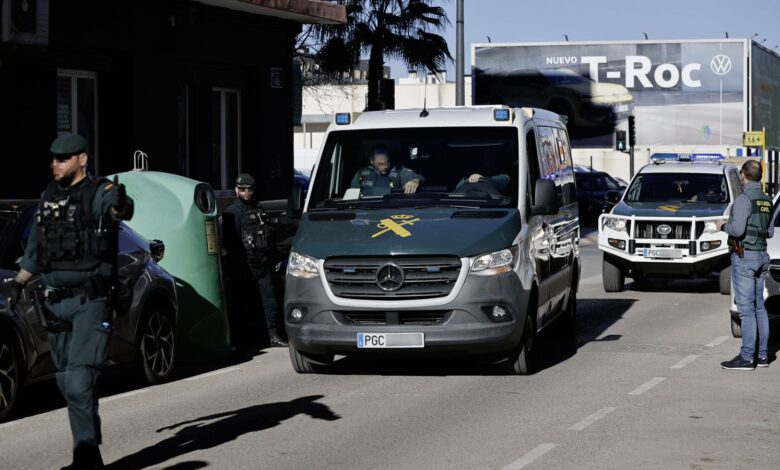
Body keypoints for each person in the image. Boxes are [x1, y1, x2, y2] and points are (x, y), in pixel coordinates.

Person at [8, 133, 133, 468]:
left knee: (79, 380)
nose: (55, 164)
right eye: (52, 159)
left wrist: (122, 202)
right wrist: (19, 283)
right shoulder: (48, 197)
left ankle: (87, 456)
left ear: (82, 159)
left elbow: (119, 209)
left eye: (62, 158)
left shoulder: (99, 193)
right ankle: (87, 450)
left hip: (90, 302)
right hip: (55, 304)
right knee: (65, 379)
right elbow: (35, 248)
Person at [719, 160, 774, 370]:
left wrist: (723, 225)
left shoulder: (744, 199)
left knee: (746, 310)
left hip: (745, 257)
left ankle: (747, 357)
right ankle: (762, 356)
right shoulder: (766, 200)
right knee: (759, 306)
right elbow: (768, 232)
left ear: (743, 175)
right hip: (761, 255)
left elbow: (738, 230)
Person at [222, 173, 287, 350]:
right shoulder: (232, 212)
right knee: (244, 305)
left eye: (249, 189)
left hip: (262, 262)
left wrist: (273, 257)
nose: (246, 193)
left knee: (269, 301)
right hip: (244, 266)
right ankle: (244, 340)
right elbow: (230, 243)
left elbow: (269, 236)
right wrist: (238, 265)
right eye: (242, 189)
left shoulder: (258, 209)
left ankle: (271, 335)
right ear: (236, 190)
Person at [350, 144, 424, 196]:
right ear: (372, 161)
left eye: (388, 162)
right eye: (381, 164)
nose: (386, 167)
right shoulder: (362, 174)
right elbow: (353, 197)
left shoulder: (398, 170)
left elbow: (414, 176)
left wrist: (415, 180)